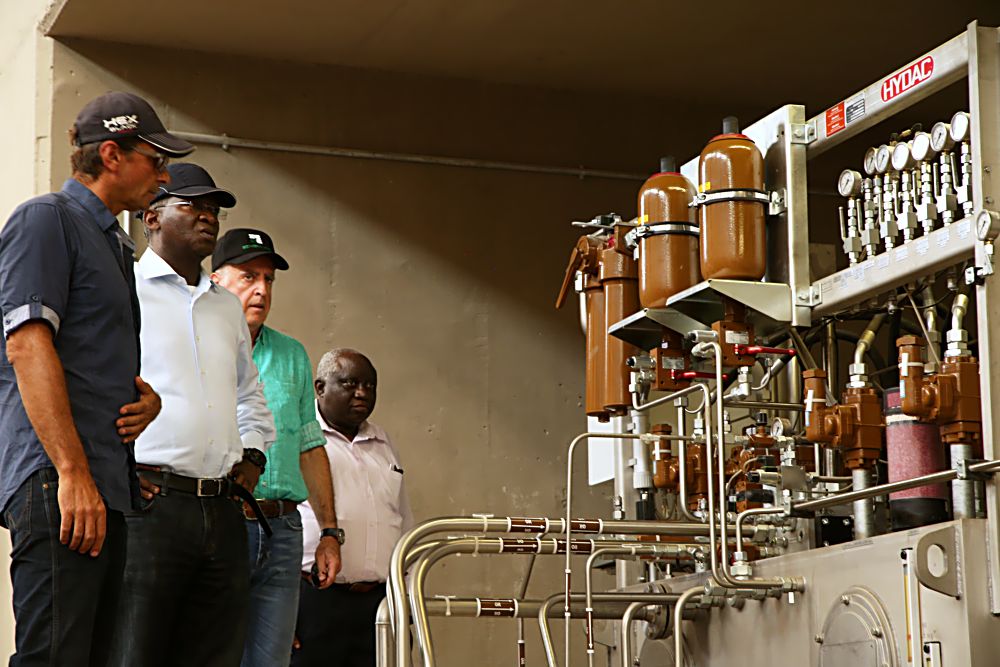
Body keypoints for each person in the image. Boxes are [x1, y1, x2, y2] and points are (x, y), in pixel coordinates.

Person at [0, 91, 190, 666]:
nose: (163, 174)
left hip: (102, 487)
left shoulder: (113, 242)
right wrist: (72, 473)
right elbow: (26, 345)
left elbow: (82, 355)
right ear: (111, 154)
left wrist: (142, 406)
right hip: (60, 485)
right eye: (154, 159)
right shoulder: (45, 220)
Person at [109, 163, 276, 667]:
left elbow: (249, 395)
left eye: (214, 210)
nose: (208, 217)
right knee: (135, 653)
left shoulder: (226, 307)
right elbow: (95, 393)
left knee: (215, 655)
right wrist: (118, 472)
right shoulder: (124, 293)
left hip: (223, 510)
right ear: (151, 217)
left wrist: (253, 455)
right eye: (193, 206)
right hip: (151, 509)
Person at [210, 228, 342, 667]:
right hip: (218, 522)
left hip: (283, 531)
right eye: (248, 277)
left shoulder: (292, 354)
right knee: (211, 652)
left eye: (268, 280)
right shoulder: (197, 345)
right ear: (215, 280)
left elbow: (310, 446)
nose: (261, 290)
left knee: (271, 662)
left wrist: (328, 533)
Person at [293, 349, 413, 667]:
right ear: (320, 388)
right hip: (313, 602)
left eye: (369, 385)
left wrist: (407, 601)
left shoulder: (384, 443)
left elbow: (403, 523)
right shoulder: (297, 439)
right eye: (349, 383)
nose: (362, 392)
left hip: (379, 604)